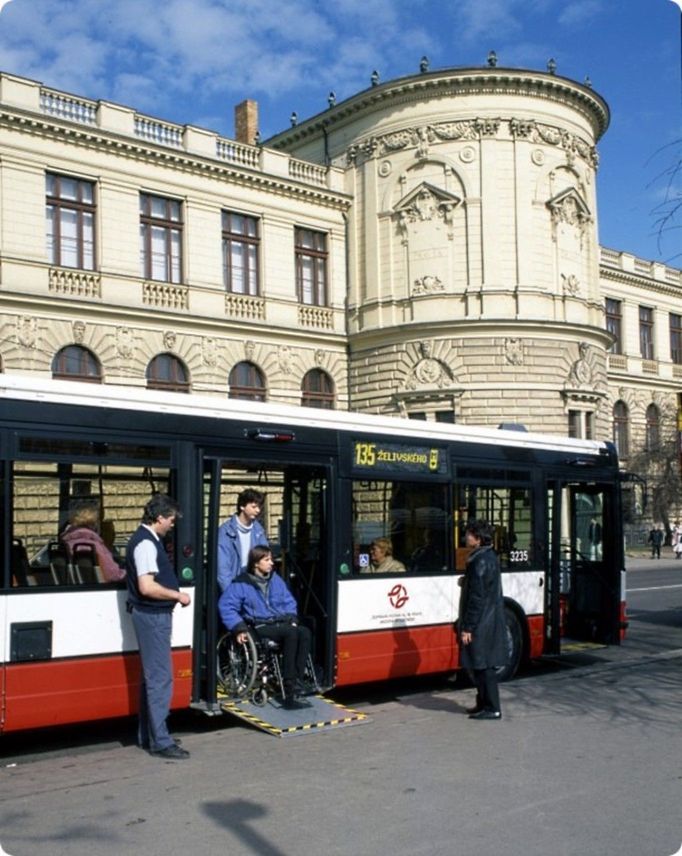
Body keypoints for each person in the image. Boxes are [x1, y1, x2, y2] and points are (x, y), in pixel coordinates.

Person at [126, 494, 191, 759]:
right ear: (160, 517)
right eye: (171, 520)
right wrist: (178, 596)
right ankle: (161, 742)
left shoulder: (148, 541)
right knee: (160, 679)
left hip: (151, 616)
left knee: (152, 678)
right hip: (152, 617)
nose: (173, 525)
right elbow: (147, 586)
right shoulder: (145, 544)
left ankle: (150, 735)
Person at [219, 545, 312, 710]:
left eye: (271, 559)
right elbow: (226, 606)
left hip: (280, 621)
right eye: (267, 560)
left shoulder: (275, 580)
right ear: (256, 563)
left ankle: (298, 676)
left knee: (304, 632)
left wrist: (292, 618)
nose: (271, 563)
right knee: (290, 633)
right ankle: (289, 682)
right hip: (259, 625)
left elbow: (289, 601)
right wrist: (239, 628)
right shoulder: (241, 583)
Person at [458, 519, 508, 721]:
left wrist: (468, 626)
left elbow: (477, 598)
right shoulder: (488, 557)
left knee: (483, 665)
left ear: (477, 539)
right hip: (487, 620)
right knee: (479, 664)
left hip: (480, 623)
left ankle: (492, 707)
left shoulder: (478, 560)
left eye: (469, 534)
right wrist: (466, 581)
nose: (466, 537)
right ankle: (483, 703)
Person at [217, 488, 268, 592]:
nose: (258, 510)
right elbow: (223, 570)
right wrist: (231, 595)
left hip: (254, 587)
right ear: (242, 506)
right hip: (233, 587)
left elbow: (265, 561)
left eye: (259, 507)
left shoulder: (259, 531)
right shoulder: (225, 531)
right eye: (254, 507)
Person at [61, 503, 125, 582]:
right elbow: (113, 575)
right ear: (94, 522)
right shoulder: (94, 546)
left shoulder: (68, 543)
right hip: (100, 589)